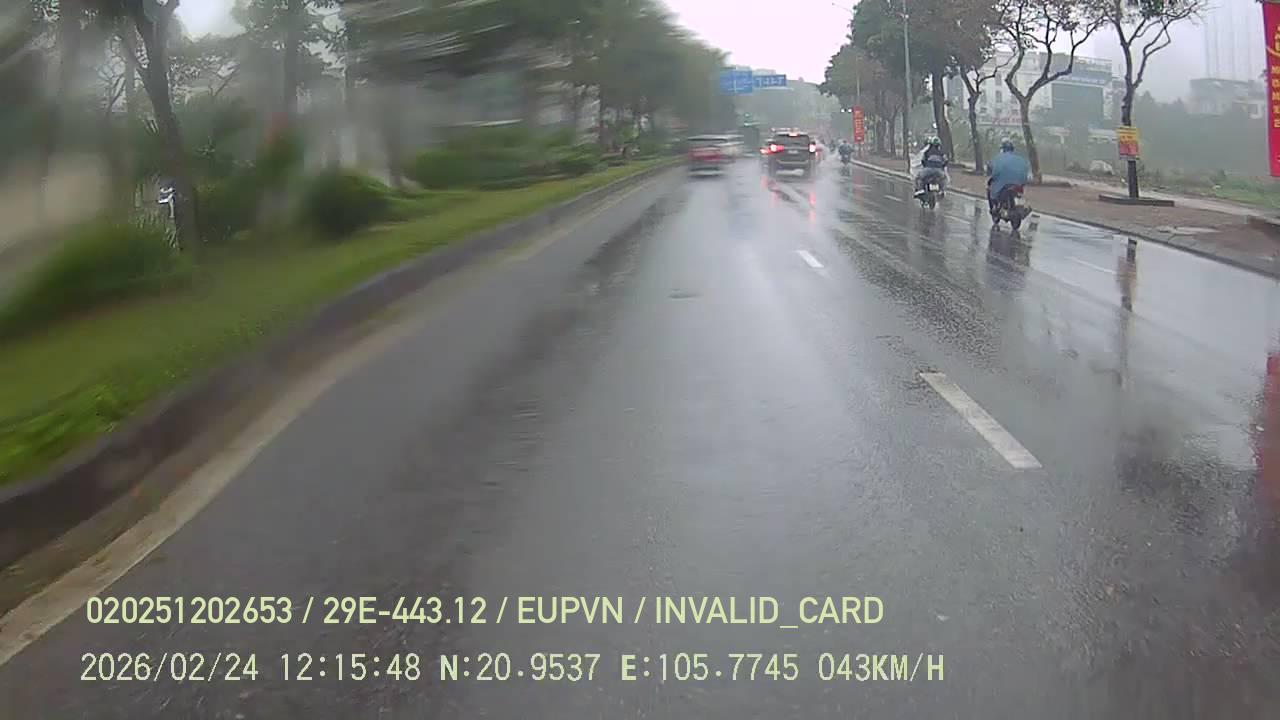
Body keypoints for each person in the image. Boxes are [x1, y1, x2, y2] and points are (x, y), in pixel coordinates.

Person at [986, 138, 1031, 211]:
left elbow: (993, 168)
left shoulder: (999, 158)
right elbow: (1025, 169)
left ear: (1002, 149)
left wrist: (991, 174)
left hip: (1004, 184)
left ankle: (995, 207)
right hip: (1018, 183)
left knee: (991, 189)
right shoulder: (1019, 159)